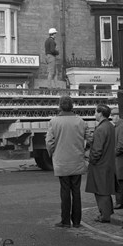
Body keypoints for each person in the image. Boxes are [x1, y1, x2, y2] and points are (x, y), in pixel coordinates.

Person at [46, 95, 91, 229]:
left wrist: (53, 153)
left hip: (61, 161)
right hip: (77, 160)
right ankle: (77, 221)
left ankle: (65, 221)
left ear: (60, 106)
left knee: (64, 191)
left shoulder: (54, 122)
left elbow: (49, 142)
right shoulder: (81, 121)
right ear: (72, 106)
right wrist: (84, 152)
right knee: (76, 191)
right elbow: (90, 138)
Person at [85, 102, 116, 223]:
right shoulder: (110, 126)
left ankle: (105, 215)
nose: (94, 114)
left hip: (100, 165)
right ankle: (109, 212)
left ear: (101, 113)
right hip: (108, 162)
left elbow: (97, 149)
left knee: (100, 191)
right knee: (106, 190)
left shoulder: (100, 129)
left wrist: (91, 160)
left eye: (95, 112)